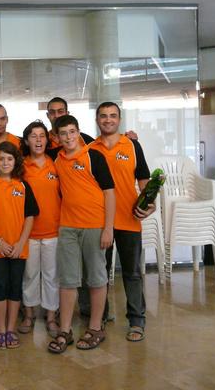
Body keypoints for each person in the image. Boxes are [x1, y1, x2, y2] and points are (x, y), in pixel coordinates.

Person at [47, 115, 115, 354]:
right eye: (63, 133)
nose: (68, 137)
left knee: (96, 278)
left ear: (78, 132)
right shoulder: (57, 159)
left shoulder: (93, 156)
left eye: (72, 132)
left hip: (94, 226)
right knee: (68, 280)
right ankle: (65, 330)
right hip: (67, 227)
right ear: (57, 137)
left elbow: (109, 193)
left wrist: (108, 228)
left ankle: (96, 327)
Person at [89, 102, 155, 342]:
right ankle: (100, 317)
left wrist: (149, 203)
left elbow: (144, 180)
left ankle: (137, 321)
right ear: (97, 119)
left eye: (113, 116)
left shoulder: (132, 145)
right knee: (100, 273)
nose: (108, 120)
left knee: (132, 273)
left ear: (119, 119)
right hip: (100, 222)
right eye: (103, 116)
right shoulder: (89, 149)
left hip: (129, 219)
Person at [0, 142, 38, 349]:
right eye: (1, 159)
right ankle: (1, 330)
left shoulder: (23, 186)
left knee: (14, 289)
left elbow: (30, 216)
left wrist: (21, 243)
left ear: (16, 161)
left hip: (18, 249)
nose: (5, 162)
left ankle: (11, 329)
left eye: (9, 159)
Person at [19, 121, 61, 338]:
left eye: (42, 135)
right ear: (26, 141)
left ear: (47, 140)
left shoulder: (56, 163)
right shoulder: (20, 167)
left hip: (53, 231)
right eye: (33, 136)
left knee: (52, 276)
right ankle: (29, 314)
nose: (38, 140)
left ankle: (51, 317)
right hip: (28, 233)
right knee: (30, 276)